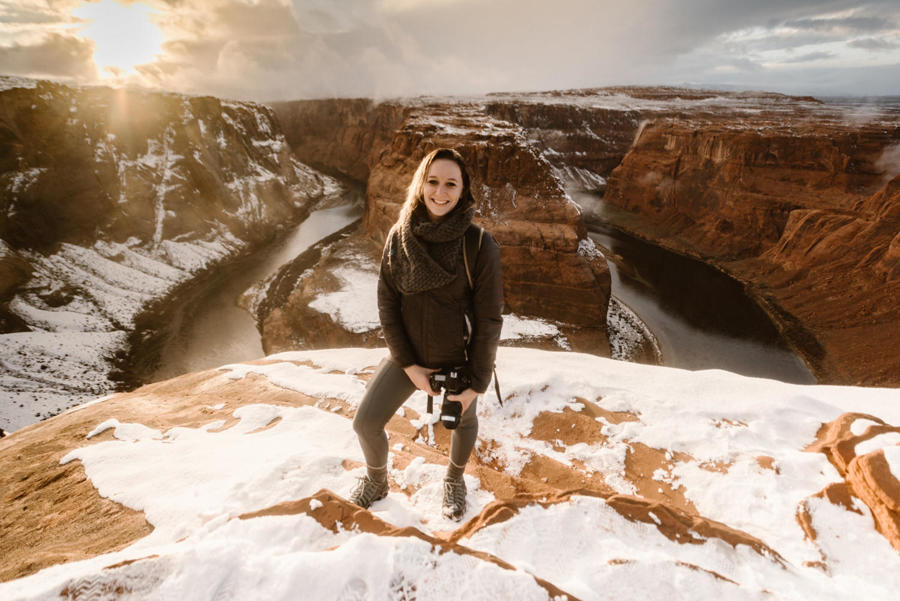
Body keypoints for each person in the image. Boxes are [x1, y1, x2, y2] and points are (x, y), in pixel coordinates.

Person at [349, 147, 504, 520]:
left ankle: (454, 478)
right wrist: (409, 366)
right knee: (366, 423)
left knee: (463, 421)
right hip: (409, 356)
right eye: (433, 182)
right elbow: (387, 303)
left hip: (459, 359)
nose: (440, 192)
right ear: (421, 185)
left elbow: (489, 321)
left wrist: (477, 383)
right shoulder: (399, 236)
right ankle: (376, 480)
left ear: (463, 190)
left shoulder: (478, 245)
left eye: (451, 184)